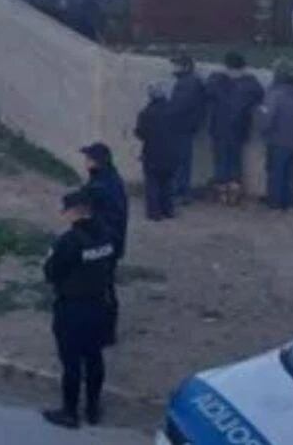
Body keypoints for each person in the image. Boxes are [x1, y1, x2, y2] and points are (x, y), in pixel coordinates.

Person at [42, 188, 116, 430]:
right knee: (94, 358)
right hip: (100, 305)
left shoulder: (69, 241)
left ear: (75, 212)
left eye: (67, 210)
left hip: (72, 308)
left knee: (71, 362)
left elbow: (52, 273)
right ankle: (93, 409)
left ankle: (70, 412)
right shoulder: (106, 234)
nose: (65, 215)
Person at [80, 142, 127, 344]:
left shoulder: (103, 185)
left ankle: (105, 334)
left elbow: (108, 216)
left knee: (103, 288)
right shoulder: (106, 180)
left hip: (104, 243)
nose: (86, 162)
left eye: (89, 158)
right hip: (105, 242)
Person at [204, 51, 266, 205]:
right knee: (234, 162)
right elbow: (259, 94)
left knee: (220, 162)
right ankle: (233, 193)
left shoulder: (218, 81)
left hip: (219, 128)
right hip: (238, 129)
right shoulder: (250, 84)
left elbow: (207, 91)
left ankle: (222, 193)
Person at [260, 60, 293, 211]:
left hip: (277, 139)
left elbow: (267, 118)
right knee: (292, 174)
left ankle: (275, 202)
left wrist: (262, 129)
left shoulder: (275, 93)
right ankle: (291, 203)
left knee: (276, 173)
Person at [165, 53, 207, 202]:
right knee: (183, 160)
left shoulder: (187, 83)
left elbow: (179, 106)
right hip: (186, 125)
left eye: (177, 65)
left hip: (181, 126)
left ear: (186, 67)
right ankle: (181, 191)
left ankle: (180, 192)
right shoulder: (191, 82)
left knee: (180, 160)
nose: (174, 68)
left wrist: (166, 113)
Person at [134, 83, 179, 221]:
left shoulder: (146, 113)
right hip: (171, 152)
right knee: (168, 183)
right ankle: (168, 211)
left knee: (152, 184)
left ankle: (154, 213)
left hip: (152, 152)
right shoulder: (173, 110)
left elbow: (141, 134)